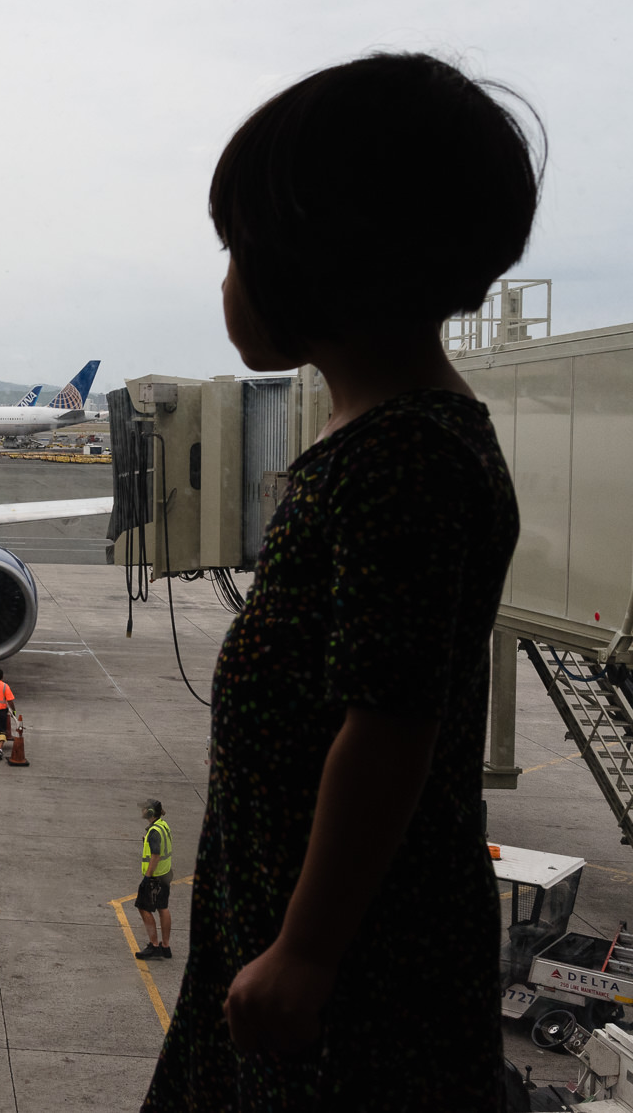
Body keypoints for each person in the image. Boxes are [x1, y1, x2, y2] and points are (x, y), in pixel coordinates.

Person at [143, 53, 540, 1109]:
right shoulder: (379, 444)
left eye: (238, 248)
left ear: (316, 266)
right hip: (291, 924)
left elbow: (392, 721)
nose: (226, 279)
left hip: (352, 979)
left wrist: (308, 949)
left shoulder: (403, 461)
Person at [134, 798, 173, 960]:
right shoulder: (162, 825)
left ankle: (154, 945)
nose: (141, 811)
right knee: (163, 908)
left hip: (155, 877)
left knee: (143, 907)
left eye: (144, 809)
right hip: (166, 874)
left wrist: (147, 878)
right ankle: (166, 946)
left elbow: (156, 856)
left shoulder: (154, 831)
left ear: (150, 812)